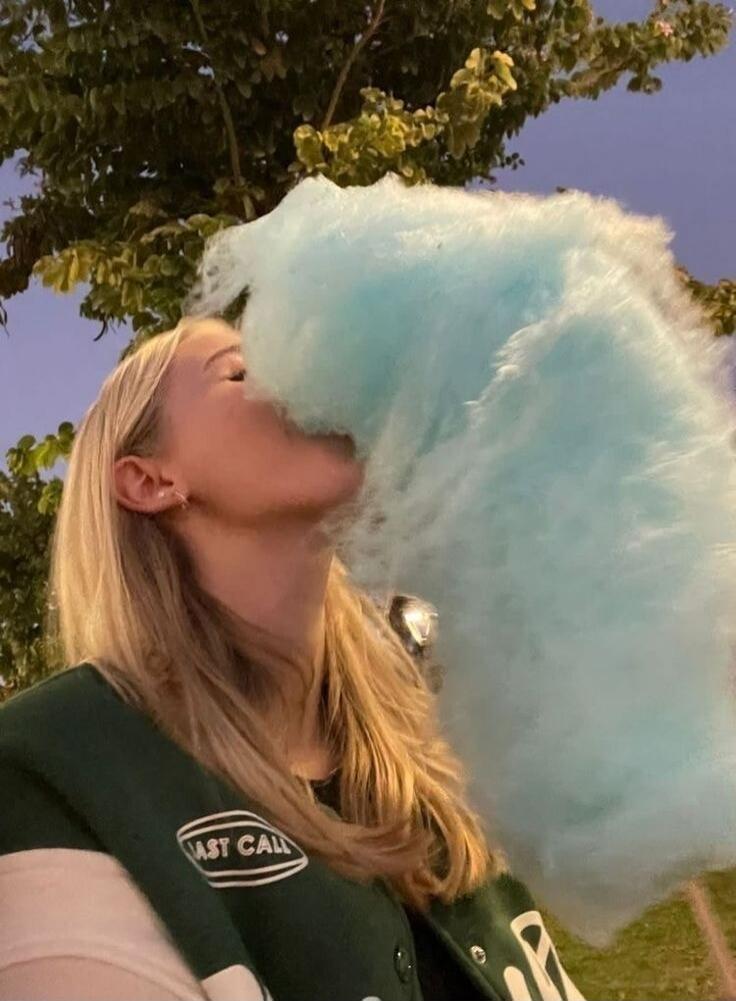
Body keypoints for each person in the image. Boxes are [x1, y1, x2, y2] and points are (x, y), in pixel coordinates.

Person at [0, 315, 585, 1001]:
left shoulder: (422, 750)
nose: (307, 376)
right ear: (150, 481)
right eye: (241, 372)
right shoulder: (54, 765)